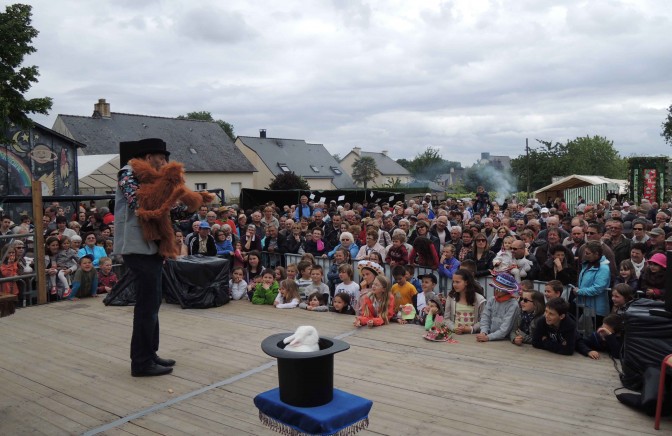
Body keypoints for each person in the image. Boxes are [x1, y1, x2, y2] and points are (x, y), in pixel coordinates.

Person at [114, 138, 185, 377]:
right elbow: (141, 201)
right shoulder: (127, 174)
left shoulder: (153, 178)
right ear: (148, 157)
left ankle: (150, 353)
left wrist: (187, 202)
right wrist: (170, 192)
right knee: (146, 306)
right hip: (137, 247)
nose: (164, 163)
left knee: (153, 303)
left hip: (151, 247)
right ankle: (141, 362)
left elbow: (166, 207)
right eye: (161, 158)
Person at [573, 240, 611, 327]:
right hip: (586, 305)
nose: (585, 255)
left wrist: (580, 291)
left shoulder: (603, 268)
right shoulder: (587, 264)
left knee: (596, 333)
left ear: (596, 254)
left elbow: (598, 288)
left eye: (587, 253)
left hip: (597, 308)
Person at [476, 273, 521, 342]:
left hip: (505, 341)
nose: (496, 291)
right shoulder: (492, 300)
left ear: (507, 291)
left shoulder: (513, 305)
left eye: (499, 289)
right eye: (495, 288)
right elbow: (485, 318)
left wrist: (488, 337)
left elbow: (505, 329)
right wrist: (483, 332)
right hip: (488, 336)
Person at [443, 269, 486, 335]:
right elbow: (446, 319)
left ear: (466, 282)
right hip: (455, 336)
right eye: (453, 282)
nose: (454, 284)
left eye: (457, 282)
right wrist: (454, 328)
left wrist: (471, 329)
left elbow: (484, 321)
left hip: (472, 337)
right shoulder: (451, 297)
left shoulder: (479, 299)